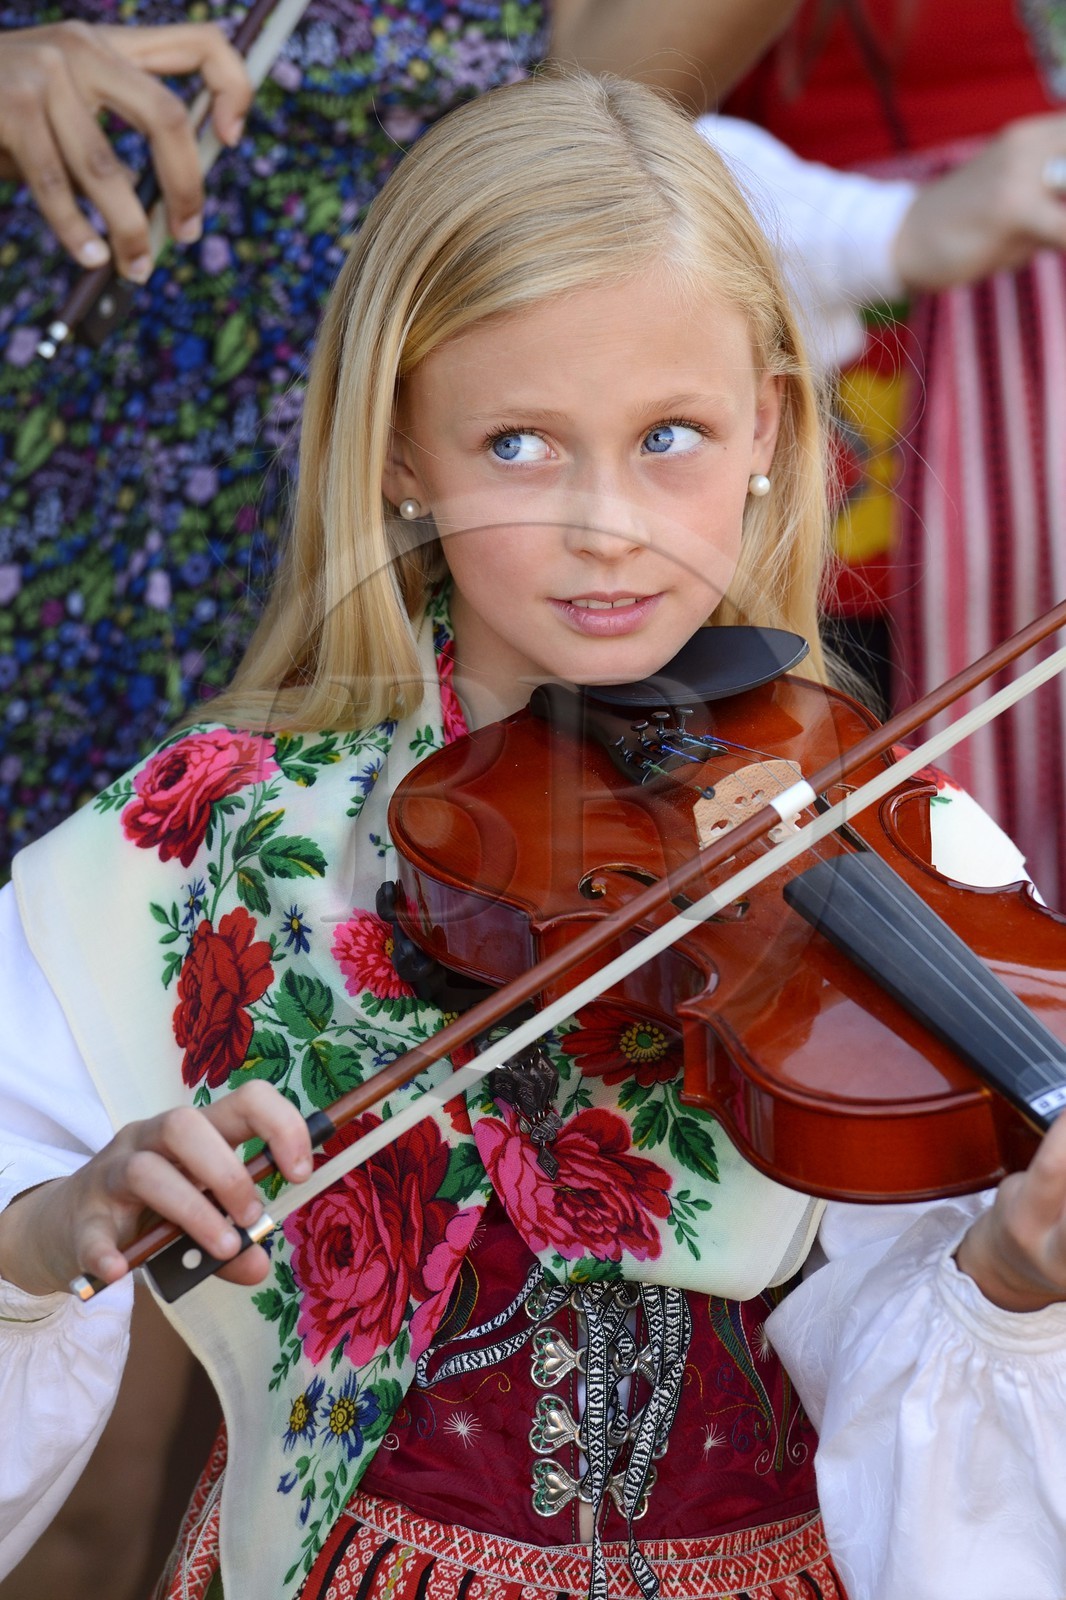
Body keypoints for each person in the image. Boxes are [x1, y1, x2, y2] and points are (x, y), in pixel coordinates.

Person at [1, 70, 1065, 1600]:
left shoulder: (884, 832)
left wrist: (1009, 1282)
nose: (605, 523)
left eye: (670, 437)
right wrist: (48, 1230)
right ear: (395, 453)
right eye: (516, 444)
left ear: (767, 427)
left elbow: (917, 1401)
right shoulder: (219, 825)